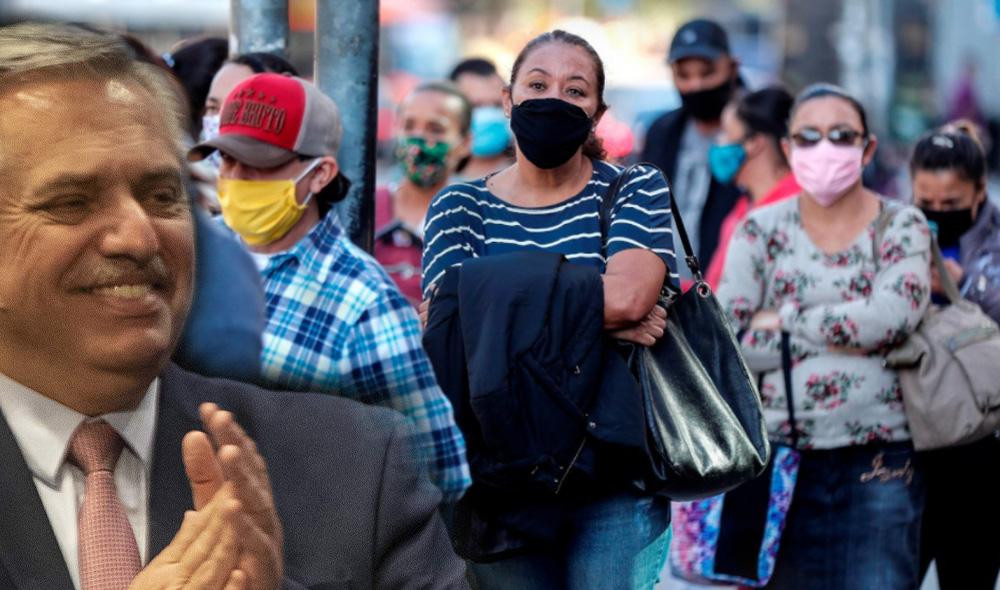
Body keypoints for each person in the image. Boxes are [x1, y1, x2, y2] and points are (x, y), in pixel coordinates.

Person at [0, 22, 467, 590]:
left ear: (317, 175)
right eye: (72, 201)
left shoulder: (360, 462)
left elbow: (444, 460)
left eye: (162, 195)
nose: (139, 238)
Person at [422, 30, 675, 589]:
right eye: (537, 84)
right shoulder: (459, 204)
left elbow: (631, 296)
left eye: (575, 90)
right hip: (495, 481)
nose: (554, 99)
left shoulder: (633, 188)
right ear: (508, 99)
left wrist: (494, 302)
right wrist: (594, 309)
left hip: (613, 479)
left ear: (597, 113)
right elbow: (446, 329)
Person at [189, 73, 471, 503]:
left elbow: (438, 468)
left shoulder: (363, 302)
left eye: (259, 162)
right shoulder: (191, 255)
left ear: (319, 174)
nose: (237, 177)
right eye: (226, 159)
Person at [718, 83, 931, 589]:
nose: (824, 148)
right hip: (778, 462)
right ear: (788, 149)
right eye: (808, 137)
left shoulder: (902, 226)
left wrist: (787, 317)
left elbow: (892, 316)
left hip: (883, 458)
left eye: (841, 135)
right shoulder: (759, 231)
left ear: (868, 148)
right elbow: (729, 337)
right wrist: (852, 327)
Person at [909, 122, 1000, 590]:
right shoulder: (894, 233)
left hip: (978, 450)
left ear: (979, 191)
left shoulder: (994, 249)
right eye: (927, 203)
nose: (938, 212)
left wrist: (959, 289)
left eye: (951, 203)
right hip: (905, 448)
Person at [640, 18, 743, 269]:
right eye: (683, 75)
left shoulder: (756, 134)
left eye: (707, 73)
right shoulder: (661, 132)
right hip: (664, 292)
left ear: (731, 68)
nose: (695, 85)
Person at [375, 81, 471, 306]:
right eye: (409, 126)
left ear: (465, 143)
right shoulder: (364, 208)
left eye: (435, 129)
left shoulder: (475, 217)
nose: (417, 139)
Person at [704, 87, 800, 289]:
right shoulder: (743, 207)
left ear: (754, 143)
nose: (718, 143)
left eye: (725, 133)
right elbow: (714, 290)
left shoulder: (798, 208)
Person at [449, 57, 514, 179]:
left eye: (496, 105)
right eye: (477, 106)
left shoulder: (534, 179)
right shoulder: (436, 186)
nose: (489, 114)